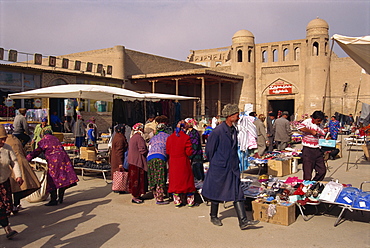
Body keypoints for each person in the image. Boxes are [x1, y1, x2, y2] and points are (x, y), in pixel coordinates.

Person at [202, 104, 259, 230]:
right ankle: (213, 215)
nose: (238, 117)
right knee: (216, 191)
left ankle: (243, 221)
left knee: (237, 192)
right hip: (220, 167)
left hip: (232, 167)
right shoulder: (217, 132)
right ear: (229, 116)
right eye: (236, 115)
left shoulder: (234, 130)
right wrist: (218, 162)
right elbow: (209, 151)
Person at [26, 128, 79, 206]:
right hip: (64, 160)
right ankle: (60, 198)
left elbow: (36, 152)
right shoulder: (56, 139)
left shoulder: (44, 141)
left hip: (54, 162)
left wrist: (27, 158)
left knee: (52, 180)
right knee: (62, 179)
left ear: (43, 135)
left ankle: (53, 200)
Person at [6, 131, 41, 214]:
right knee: (19, 187)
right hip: (21, 161)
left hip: (13, 164)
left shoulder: (5, 142)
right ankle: (16, 205)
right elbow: (22, 151)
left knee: (11, 187)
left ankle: (10, 206)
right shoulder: (16, 140)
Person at [0, 125, 23, 239]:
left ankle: (7, 228)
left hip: (4, 182)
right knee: (0, 208)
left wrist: (18, 176)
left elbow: (14, 162)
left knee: (5, 207)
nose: (3, 141)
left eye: (4, 138)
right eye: (0, 139)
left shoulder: (7, 148)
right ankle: (7, 229)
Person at [166, 121, 196, 208]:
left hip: (173, 161)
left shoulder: (170, 138)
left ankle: (177, 200)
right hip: (183, 161)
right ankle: (190, 201)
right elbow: (189, 152)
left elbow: (167, 151)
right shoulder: (186, 137)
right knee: (187, 180)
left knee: (175, 180)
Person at [297, 110, 326, 181]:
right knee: (307, 171)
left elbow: (322, 135)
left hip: (318, 150)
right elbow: (299, 127)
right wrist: (311, 131)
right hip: (308, 149)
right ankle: (307, 185)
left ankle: (314, 182)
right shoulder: (307, 122)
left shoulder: (321, 126)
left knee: (322, 171)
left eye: (320, 121)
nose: (319, 122)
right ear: (314, 118)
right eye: (318, 120)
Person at [147, 123, 170, 205]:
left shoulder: (153, 138)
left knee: (153, 177)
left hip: (150, 158)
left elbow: (149, 147)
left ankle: (155, 195)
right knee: (160, 177)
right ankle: (160, 198)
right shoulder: (167, 137)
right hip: (160, 157)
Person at [127, 123, 148, 204]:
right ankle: (135, 196)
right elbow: (142, 149)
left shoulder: (133, 137)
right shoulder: (139, 138)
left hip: (132, 161)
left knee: (134, 179)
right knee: (137, 179)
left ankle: (136, 195)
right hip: (137, 162)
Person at [110, 124, 128, 192]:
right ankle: (119, 188)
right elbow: (119, 151)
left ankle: (118, 187)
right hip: (118, 160)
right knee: (119, 175)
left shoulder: (117, 136)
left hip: (115, 159)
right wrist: (120, 163)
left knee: (116, 175)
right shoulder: (120, 138)